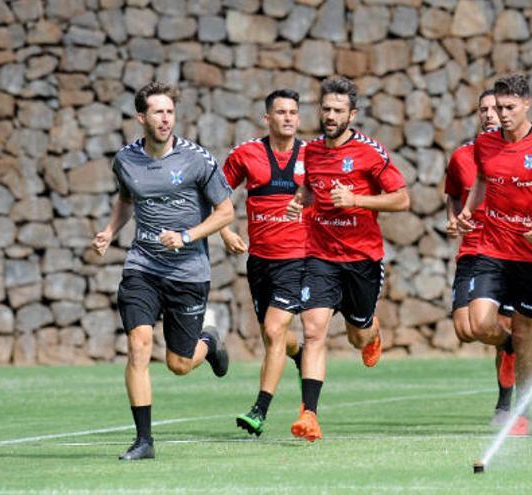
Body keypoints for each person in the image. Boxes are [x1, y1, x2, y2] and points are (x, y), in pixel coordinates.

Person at [91, 81, 235, 460]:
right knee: (138, 345)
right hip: (143, 266)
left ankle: (210, 343)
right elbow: (126, 200)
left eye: (170, 111)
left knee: (179, 364)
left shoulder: (197, 159)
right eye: (158, 111)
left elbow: (226, 212)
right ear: (142, 117)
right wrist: (109, 231)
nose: (165, 118)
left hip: (188, 272)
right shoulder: (125, 160)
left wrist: (187, 235)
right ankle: (144, 441)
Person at [285, 76, 410, 441]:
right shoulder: (310, 151)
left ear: (351, 114)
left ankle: (371, 332)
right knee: (312, 330)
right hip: (320, 255)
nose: (330, 115)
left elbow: (401, 199)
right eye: (326, 109)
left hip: (362, 258)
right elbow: (310, 190)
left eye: (338, 110)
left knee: (357, 336)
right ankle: (309, 414)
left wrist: (357, 200)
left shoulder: (370, 152)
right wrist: (300, 200)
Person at [457, 73, 532, 436]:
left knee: (525, 337)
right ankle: (504, 345)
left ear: (526, 105)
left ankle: (522, 410)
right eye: (498, 107)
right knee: (477, 323)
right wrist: (469, 211)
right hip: (492, 249)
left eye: (509, 107)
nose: (502, 114)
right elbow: (482, 181)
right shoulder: (485, 143)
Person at [221, 89, 308, 436]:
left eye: (293, 112)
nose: (288, 117)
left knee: (274, 330)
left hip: (298, 259)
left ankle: (259, 410)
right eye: (281, 112)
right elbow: (215, 195)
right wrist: (226, 232)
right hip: (259, 261)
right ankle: (300, 355)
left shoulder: (313, 156)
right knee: (274, 337)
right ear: (267, 118)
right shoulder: (246, 154)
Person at [445, 89, 517, 426]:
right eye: (484, 109)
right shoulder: (461, 156)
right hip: (472, 249)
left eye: (496, 108)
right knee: (464, 329)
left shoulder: (518, 152)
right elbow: (453, 195)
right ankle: (511, 344)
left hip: (510, 251)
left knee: (487, 322)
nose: (490, 114)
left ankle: (505, 404)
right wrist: (454, 217)